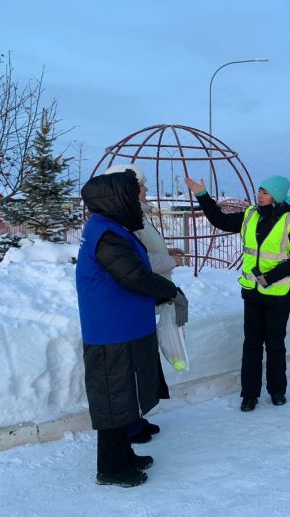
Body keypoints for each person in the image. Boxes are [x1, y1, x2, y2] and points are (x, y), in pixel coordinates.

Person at [76, 169, 189, 487]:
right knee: (113, 399)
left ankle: (123, 454)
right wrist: (171, 291)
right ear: (117, 198)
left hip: (125, 326)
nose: (139, 195)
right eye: (133, 191)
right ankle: (111, 469)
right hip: (111, 330)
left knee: (124, 396)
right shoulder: (106, 234)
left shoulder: (113, 227)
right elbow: (134, 276)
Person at [185, 175, 290, 412]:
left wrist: (270, 276)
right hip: (252, 292)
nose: (259, 195)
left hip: (279, 294)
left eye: (265, 192)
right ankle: (249, 394)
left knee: (275, 343)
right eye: (259, 190)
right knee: (251, 344)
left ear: (277, 196)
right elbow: (220, 220)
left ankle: (277, 390)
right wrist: (202, 195)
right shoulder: (250, 215)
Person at [105, 163, 185, 444]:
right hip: (131, 300)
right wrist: (170, 261)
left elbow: (148, 251)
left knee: (140, 362)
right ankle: (128, 423)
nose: (146, 190)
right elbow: (138, 262)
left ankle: (135, 418)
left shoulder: (138, 214)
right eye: (142, 185)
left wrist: (166, 252)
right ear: (128, 188)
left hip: (144, 297)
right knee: (128, 365)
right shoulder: (124, 221)